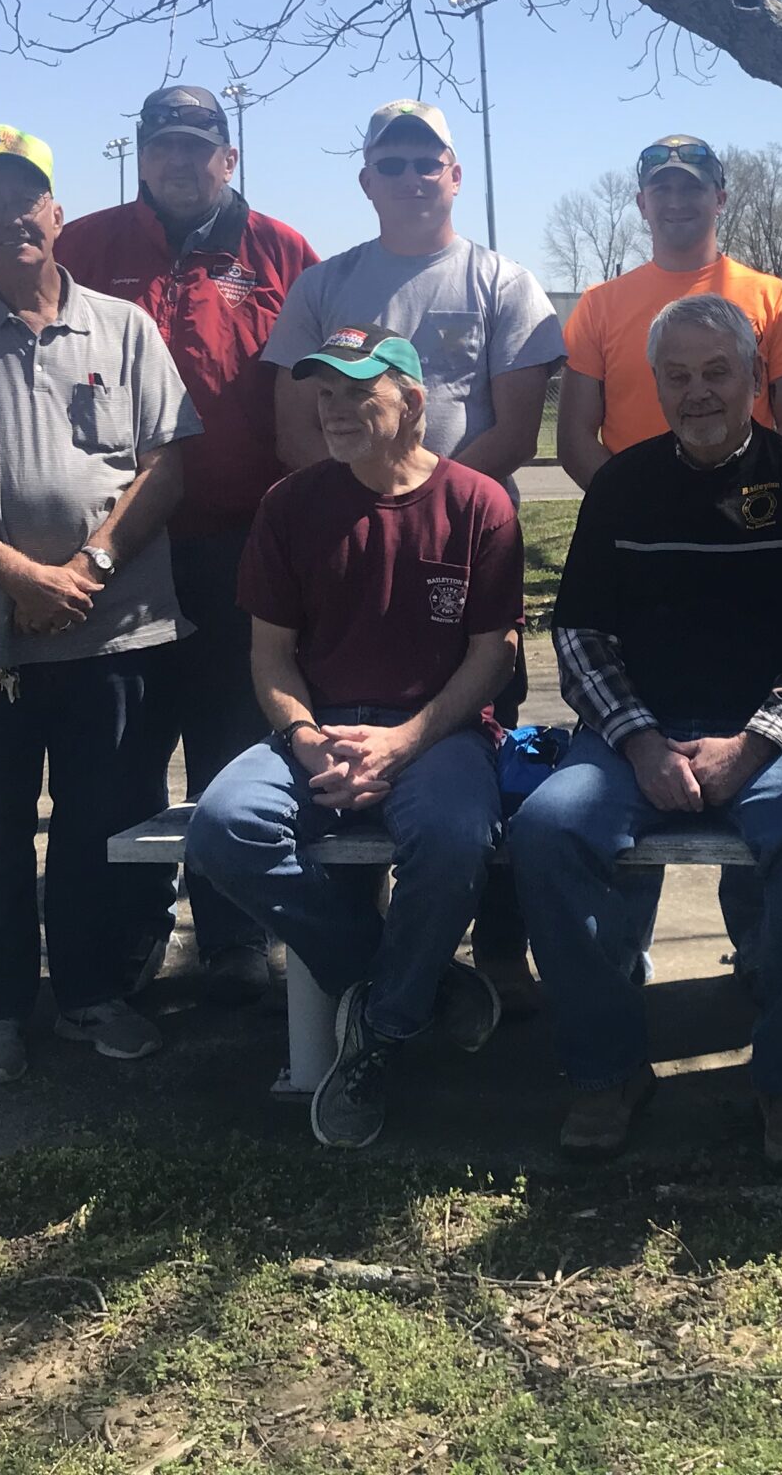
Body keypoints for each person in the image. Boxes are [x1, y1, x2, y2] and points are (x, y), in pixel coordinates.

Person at [0, 126, 202, 1086]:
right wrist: (21, 576)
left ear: (58, 213)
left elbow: (167, 466)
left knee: (107, 827)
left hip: (117, 633)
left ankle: (97, 994)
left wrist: (89, 566)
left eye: (30, 197)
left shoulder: (125, 327)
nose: (13, 214)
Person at [512, 294, 782, 1168]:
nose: (698, 392)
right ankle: (607, 1070)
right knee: (549, 829)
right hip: (638, 733)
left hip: (774, 739)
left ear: (754, 376)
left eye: (718, 372)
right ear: (656, 385)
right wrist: (638, 742)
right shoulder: (623, 486)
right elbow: (582, 636)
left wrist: (752, 746)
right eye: (678, 376)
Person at [261, 98, 563, 1012]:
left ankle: (501, 954)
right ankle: (373, 959)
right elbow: (292, 427)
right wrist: (362, 509)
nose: (409, 176)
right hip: (342, 561)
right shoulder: (324, 285)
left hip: (468, 552)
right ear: (365, 181)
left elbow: (513, 428)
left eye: (426, 160)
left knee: (483, 761)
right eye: (389, 163)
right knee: (345, 763)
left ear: (455, 174)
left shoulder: (501, 281)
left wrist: (423, 500)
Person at [186, 326, 520, 1150]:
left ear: (411, 403)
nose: (332, 410)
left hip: (439, 735)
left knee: (450, 839)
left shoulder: (479, 503)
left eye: (355, 393)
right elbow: (269, 655)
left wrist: (405, 741)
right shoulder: (291, 504)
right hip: (319, 731)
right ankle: (409, 984)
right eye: (323, 393)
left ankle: (385, 1024)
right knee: (223, 828)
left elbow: (492, 655)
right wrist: (304, 740)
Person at [58, 84, 320, 1004]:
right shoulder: (85, 245)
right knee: (121, 753)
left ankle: (234, 937)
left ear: (228, 158)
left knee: (232, 746)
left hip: (241, 541)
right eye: (161, 146)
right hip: (118, 547)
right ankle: (130, 939)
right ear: (140, 155)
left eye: (196, 147)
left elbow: (318, 393)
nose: (177, 161)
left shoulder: (281, 253)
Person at [554, 134, 782, 488]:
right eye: (661, 189)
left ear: (720, 200)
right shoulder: (597, 305)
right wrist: (630, 507)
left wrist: (754, 504)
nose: (676, 201)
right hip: (639, 523)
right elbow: (575, 440)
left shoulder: (774, 298)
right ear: (641, 203)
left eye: (692, 189)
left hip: (748, 518)